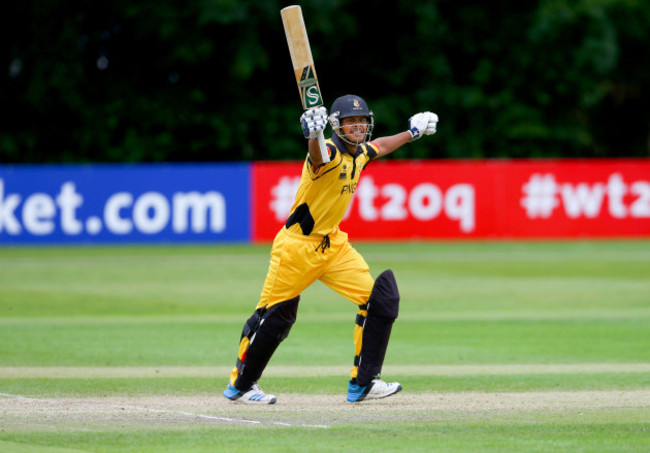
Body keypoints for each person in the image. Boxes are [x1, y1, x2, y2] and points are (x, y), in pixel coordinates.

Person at [223, 94, 438, 404]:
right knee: (274, 318)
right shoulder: (329, 153)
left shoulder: (359, 153)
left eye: (362, 122)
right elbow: (317, 155)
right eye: (350, 123)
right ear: (336, 126)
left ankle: (364, 383)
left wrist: (412, 132)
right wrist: (313, 134)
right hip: (297, 247)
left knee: (380, 300)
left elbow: (383, 145)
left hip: (333, 245)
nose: (358, 128)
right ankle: (241, 385)